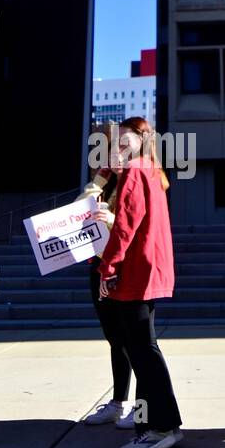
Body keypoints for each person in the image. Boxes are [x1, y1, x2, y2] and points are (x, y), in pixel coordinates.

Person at [95, 118, 181, 448]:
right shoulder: (149, 170)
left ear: (142, 138)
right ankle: (154, 425)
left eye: (123, 138)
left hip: (136, 272)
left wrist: (108, 268)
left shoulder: (136, 170)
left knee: (142, 351)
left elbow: (126, 227)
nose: (116, 144)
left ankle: (161, 427)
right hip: (148, 269)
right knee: (144, 349)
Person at [79, 127, 140, 429]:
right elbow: (82, 205)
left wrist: (112, 219)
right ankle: (118, 401)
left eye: (120, 149)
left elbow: (139, 225)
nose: (114, 155)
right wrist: (100, 178)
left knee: (134, 340)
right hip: (100, 265)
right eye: (109, 151)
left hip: (124, 267)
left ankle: (138, 406)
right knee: (115, 338)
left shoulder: (139, 181)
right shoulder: (108, 183)